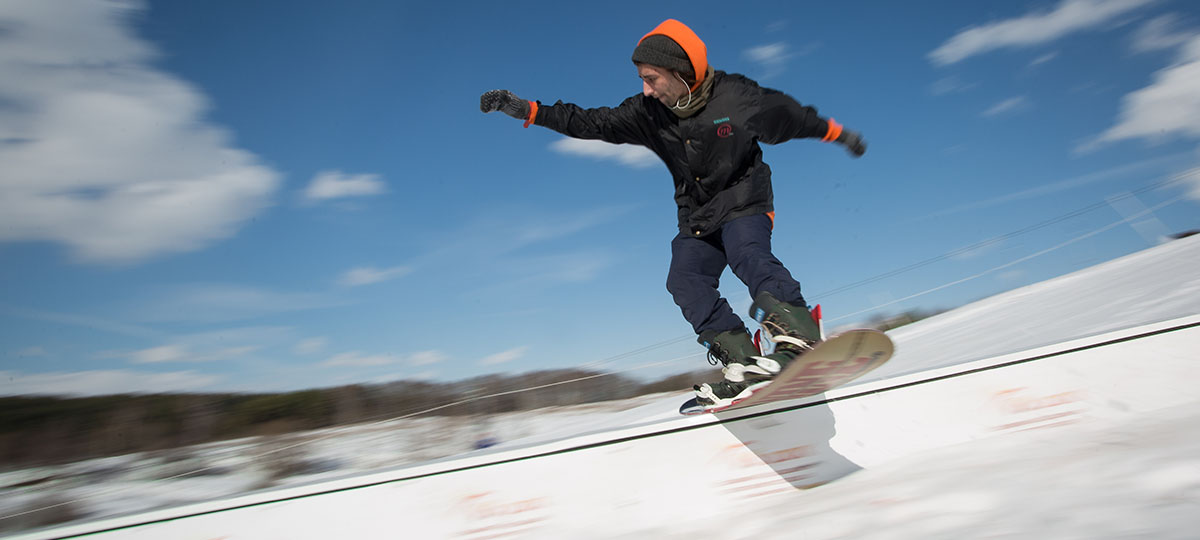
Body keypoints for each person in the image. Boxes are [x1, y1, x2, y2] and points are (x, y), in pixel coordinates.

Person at [480, 19, 867, 408]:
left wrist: (838, 134)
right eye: (642, 80)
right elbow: (591, 121)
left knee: (746, 252)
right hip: (697, 215)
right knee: (684, 279)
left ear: (682, 74)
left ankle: (798, 331)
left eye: (652, 79)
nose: (646, 89)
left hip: (744, 200)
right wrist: (527, 110)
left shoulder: (737, 97)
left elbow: (793, 116)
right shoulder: (648, 112)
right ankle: (742, 359)